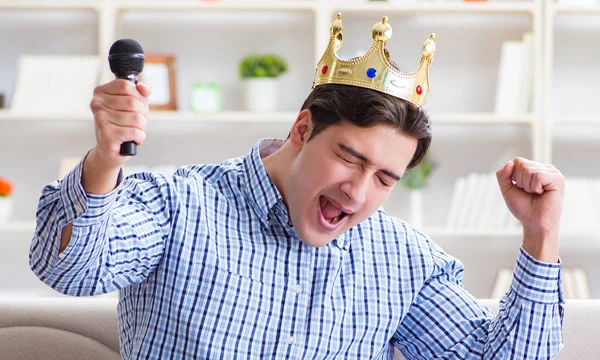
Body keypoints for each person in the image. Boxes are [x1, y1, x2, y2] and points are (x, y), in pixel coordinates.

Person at [29, 15, 565, 359]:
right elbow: (70, 268)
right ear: (303, 129)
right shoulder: (179, 205)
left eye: (383, 178)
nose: (357, 192)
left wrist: (540, 236)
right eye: (349, 158)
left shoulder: (403, 260)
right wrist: (104, 161)